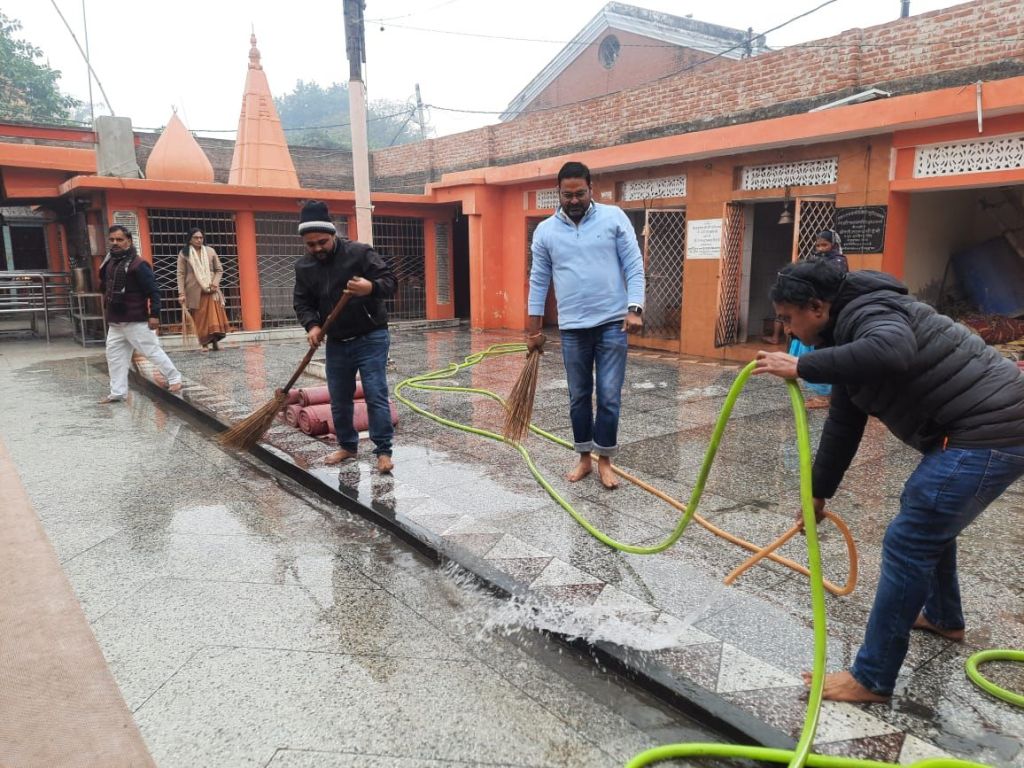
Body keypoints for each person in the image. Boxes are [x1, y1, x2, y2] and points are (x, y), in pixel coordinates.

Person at [754, 258, 1024, 702]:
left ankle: (872, 678)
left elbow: (892, 350)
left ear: (817, 307)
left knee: (911, 537)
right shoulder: (845, 331)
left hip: (991, 430)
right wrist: (817, 493)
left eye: (788, 318)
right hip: (982, 428)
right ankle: (943, 617)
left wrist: (802, 366)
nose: (787, 331)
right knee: (928, 518)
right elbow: (844, 423)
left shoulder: (869, 311)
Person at [526, 161, 646, 489]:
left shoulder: (614, 218)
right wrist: (534, 330)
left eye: (580, 193)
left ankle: (605, 460)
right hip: (573, 329)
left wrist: (634, 308)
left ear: (591, 189)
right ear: (559, 193)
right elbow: (539, 280)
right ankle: (583, 458)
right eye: (568, 195)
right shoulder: (545, 231)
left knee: (608, 395)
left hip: (612, 324)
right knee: (578, 396)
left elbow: (634, 265)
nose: (574, 200)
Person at [292, 201, 397, 474]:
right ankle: (348, 445)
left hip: (371, 335)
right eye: (311, 244)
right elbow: (302, 302)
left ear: (333, 234)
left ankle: (383, 450)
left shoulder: (360, 253)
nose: (317, 248)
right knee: (339, 398)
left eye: (322, 242)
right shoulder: (304, 267)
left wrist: (369, 287)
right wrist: (312, 326)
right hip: (337, 341)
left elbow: (390, 282)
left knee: (375, 393)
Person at [98, 225, 183, 403]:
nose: (115, 243)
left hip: (135, 320)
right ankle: (118, 392)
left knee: (151, 351)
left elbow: (154, 291)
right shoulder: (110, 262)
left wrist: (154, 314)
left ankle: (174, 377)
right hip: (115, 321)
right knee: (114, 357)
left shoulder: (139, 264)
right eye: (112, 239)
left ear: (128, 241)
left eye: (119, 239)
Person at [787, 229, 849, 408]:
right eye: (818, 245)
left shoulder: (838, 262)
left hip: (828, 313)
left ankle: (827, 396)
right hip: (813, 311)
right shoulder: (815, 260)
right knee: (807, 350)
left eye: (825, 245)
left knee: (824, 352)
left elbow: (831, 288)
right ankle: (824, 393)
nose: (821, 248)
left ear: (834, 245)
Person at [176, 227, 229, 351]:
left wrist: (215, 283)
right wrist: (181, 293)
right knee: (200, 319)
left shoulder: (210, 251)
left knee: (214, 317)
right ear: (190, 239)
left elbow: (219, 270)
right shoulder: (184, 253)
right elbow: (180, 274)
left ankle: (215, 342)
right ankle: (204, 343)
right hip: (194, 291)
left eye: (201, 237)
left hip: (211, 289)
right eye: (196, 238)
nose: (199, 240)